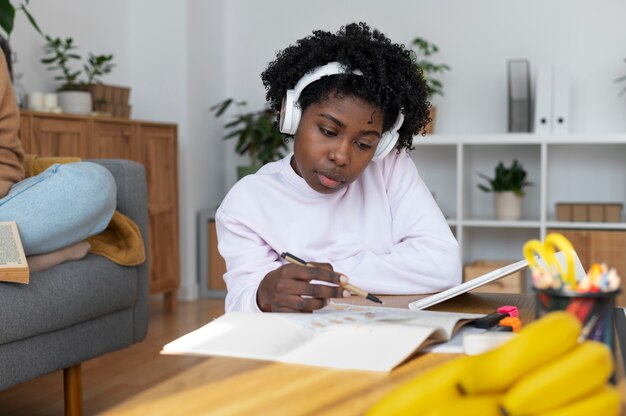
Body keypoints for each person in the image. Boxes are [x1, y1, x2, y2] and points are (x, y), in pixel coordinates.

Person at [216, 22, 460, 313]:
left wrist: (330, 275)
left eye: (364, 144)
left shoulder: (389, 169)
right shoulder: (248, 201)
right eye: (329, 131)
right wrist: (261, 295)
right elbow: (241, 302)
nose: (342, 156)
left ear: (381, 146)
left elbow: (443, 265)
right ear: (291, 117)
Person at [0, 53, 116, 270]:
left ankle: (11, 258)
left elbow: (5, 154)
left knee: (96, 183)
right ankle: (47, 258)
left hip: (6, 210)